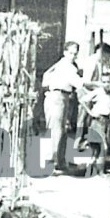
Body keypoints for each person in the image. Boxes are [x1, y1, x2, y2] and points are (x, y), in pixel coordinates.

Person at [41, 42, 82, 173]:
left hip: (63, 97)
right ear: (65, 52)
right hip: (56, 96)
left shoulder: (68, 65)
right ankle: (49, 162)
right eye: (70, 53)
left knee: (61, 130)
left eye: (75, 54)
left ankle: (60, 161)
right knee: (55, 130)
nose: (73, 56)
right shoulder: (66, 66)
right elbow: (78, 83)